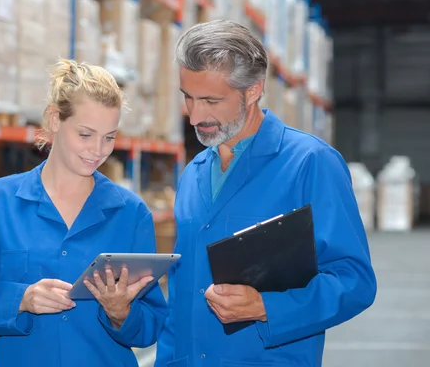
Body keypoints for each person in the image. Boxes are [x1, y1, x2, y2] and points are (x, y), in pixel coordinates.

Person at [154, 20, 377, 367]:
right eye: (188, 98)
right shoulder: (192, 174)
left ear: (253, 90)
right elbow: (181, 299)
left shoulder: (310, 163)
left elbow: (355, 281)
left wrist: (267, 308)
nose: (196, 115)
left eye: (211, 100)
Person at [0, 59, 167, 366]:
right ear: (55, 119)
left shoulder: (130, 213)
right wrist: (20, 299)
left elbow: (152, 325)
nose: (98, 150)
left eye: (109, 137)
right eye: (85, 135)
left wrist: (121, 312)